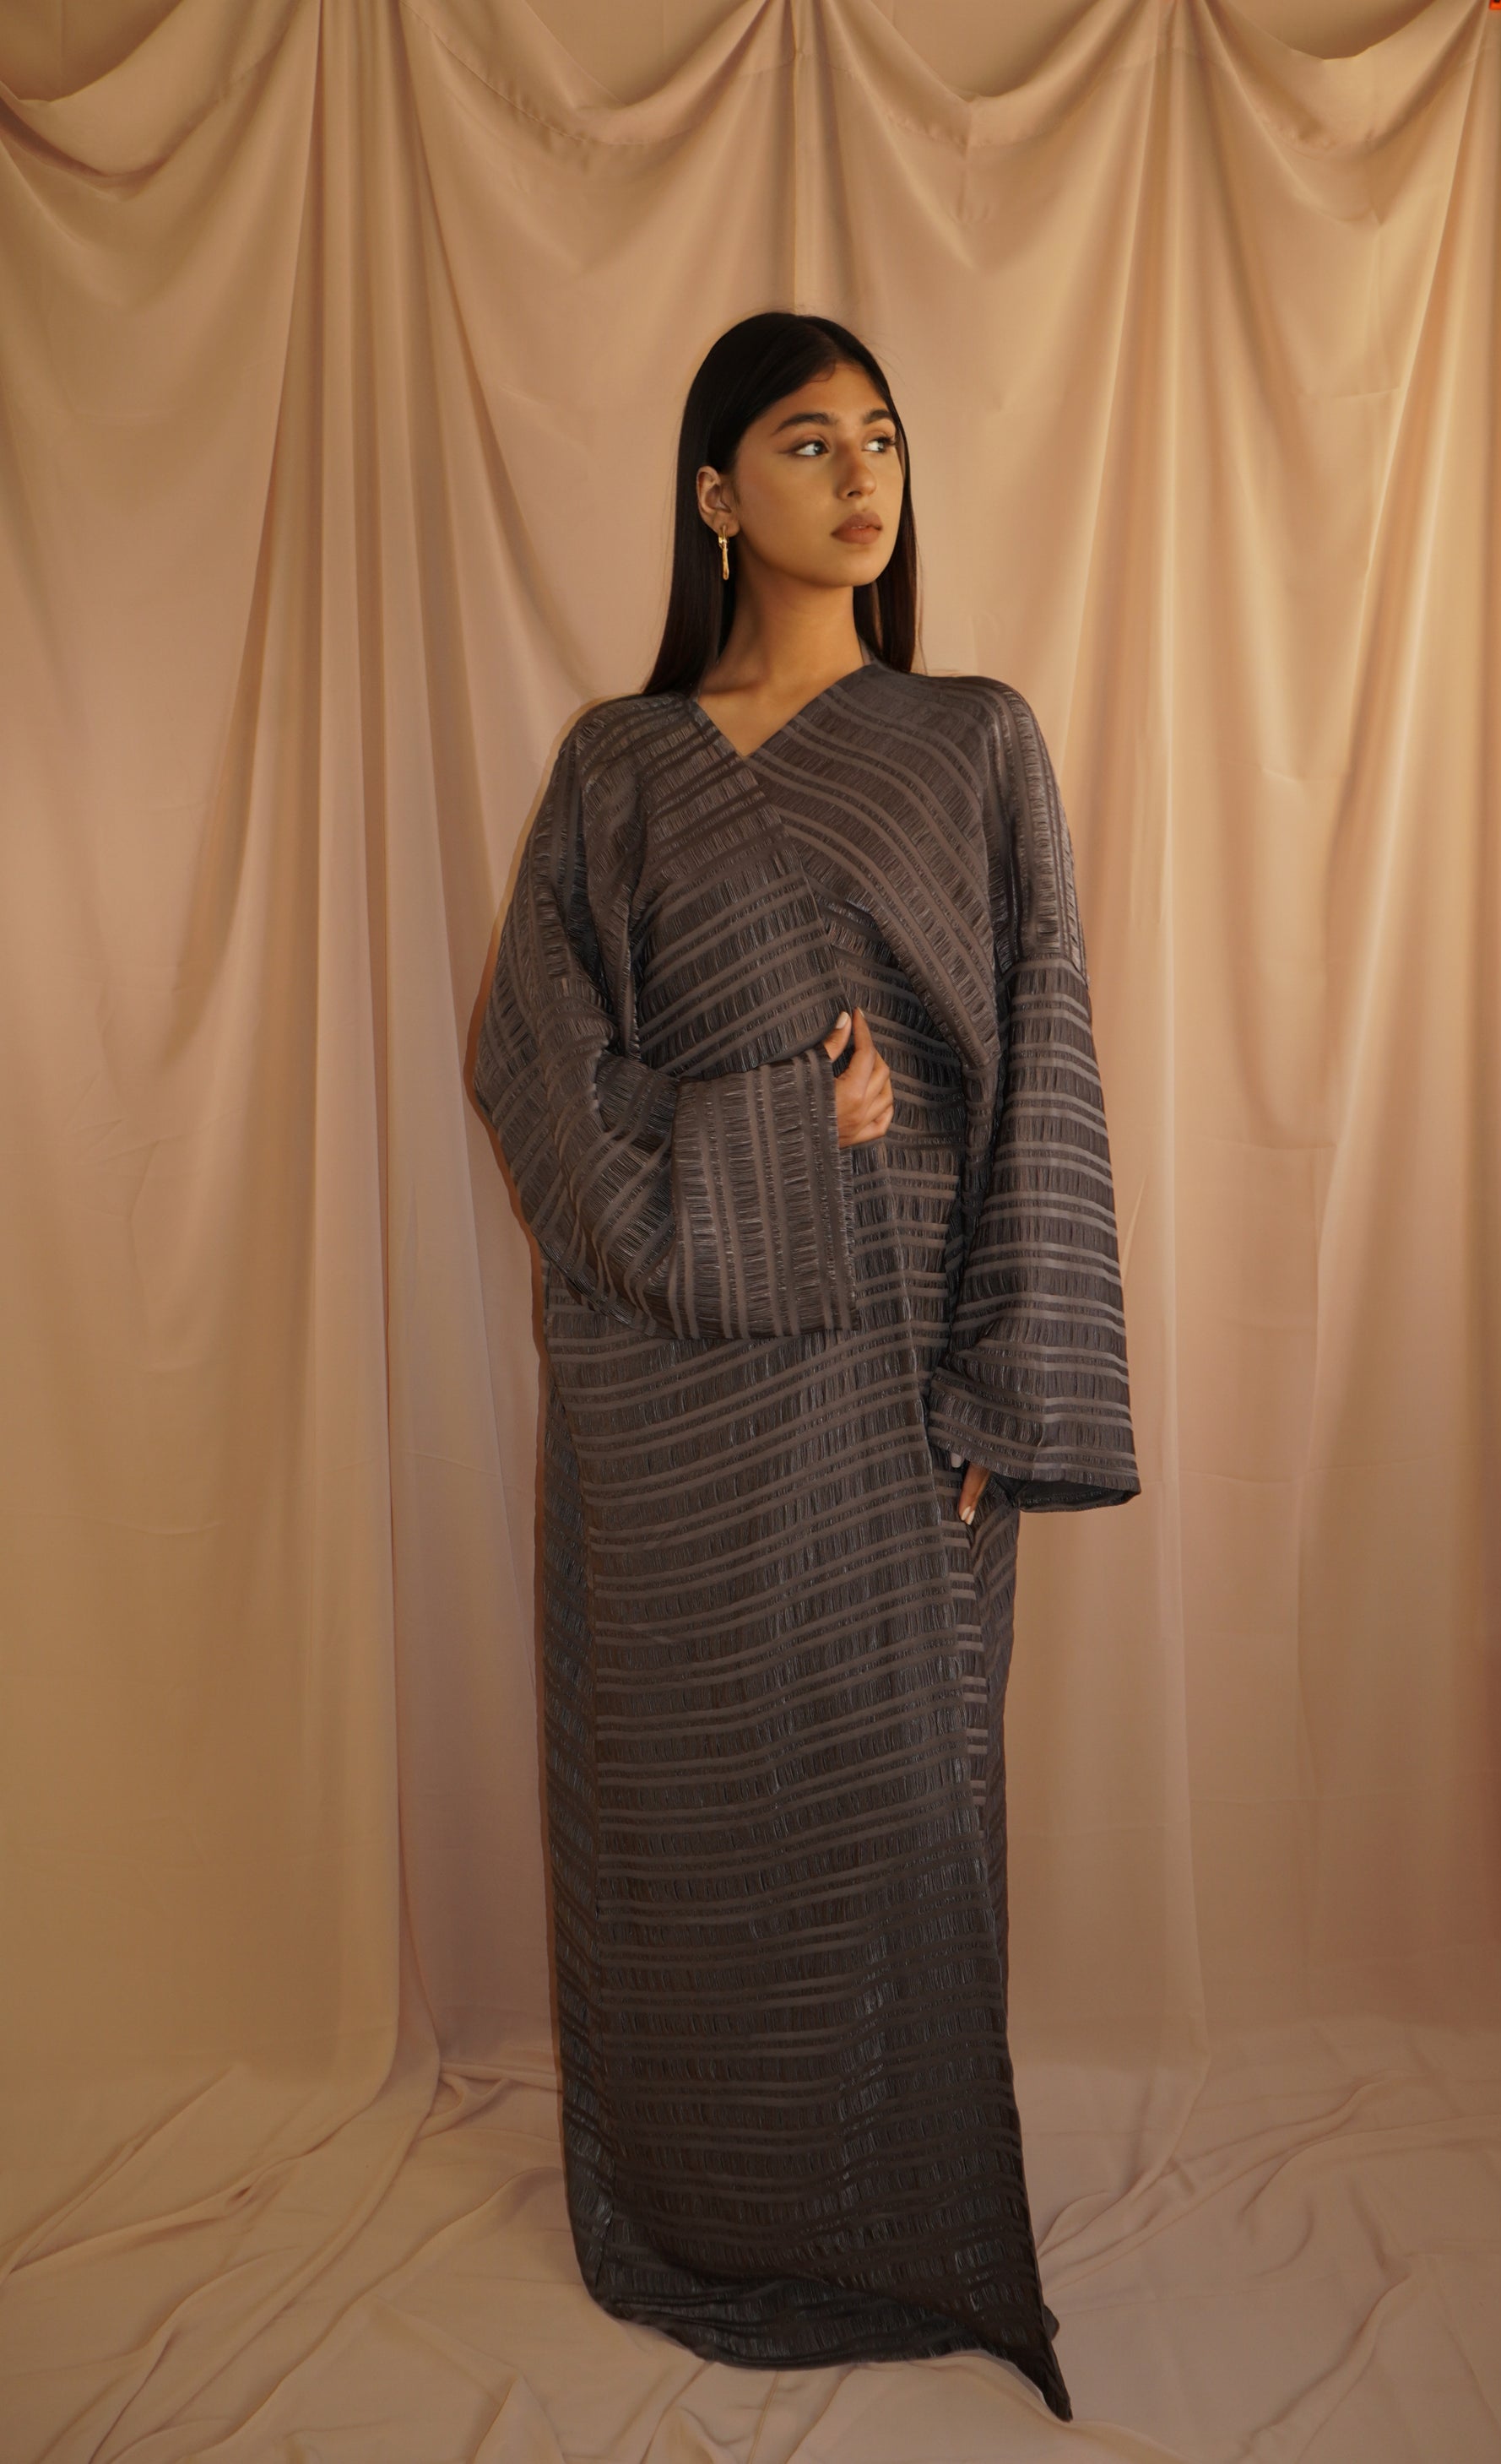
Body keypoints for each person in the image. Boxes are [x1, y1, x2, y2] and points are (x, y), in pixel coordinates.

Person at [474, 310, 1138, 2422]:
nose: (860, 478)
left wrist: (1008, 1388)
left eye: (882, 440)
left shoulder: (972, 740)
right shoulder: (616, 769)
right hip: (674, 1406)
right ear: (712, 493)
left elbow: (1046, 1059)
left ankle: (893, 2213)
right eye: (803, 442)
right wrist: (774, 1132)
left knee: (894, 1803)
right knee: (689, 1811)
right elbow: (535, 1072)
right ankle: (699, 2202)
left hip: (901, 1384)